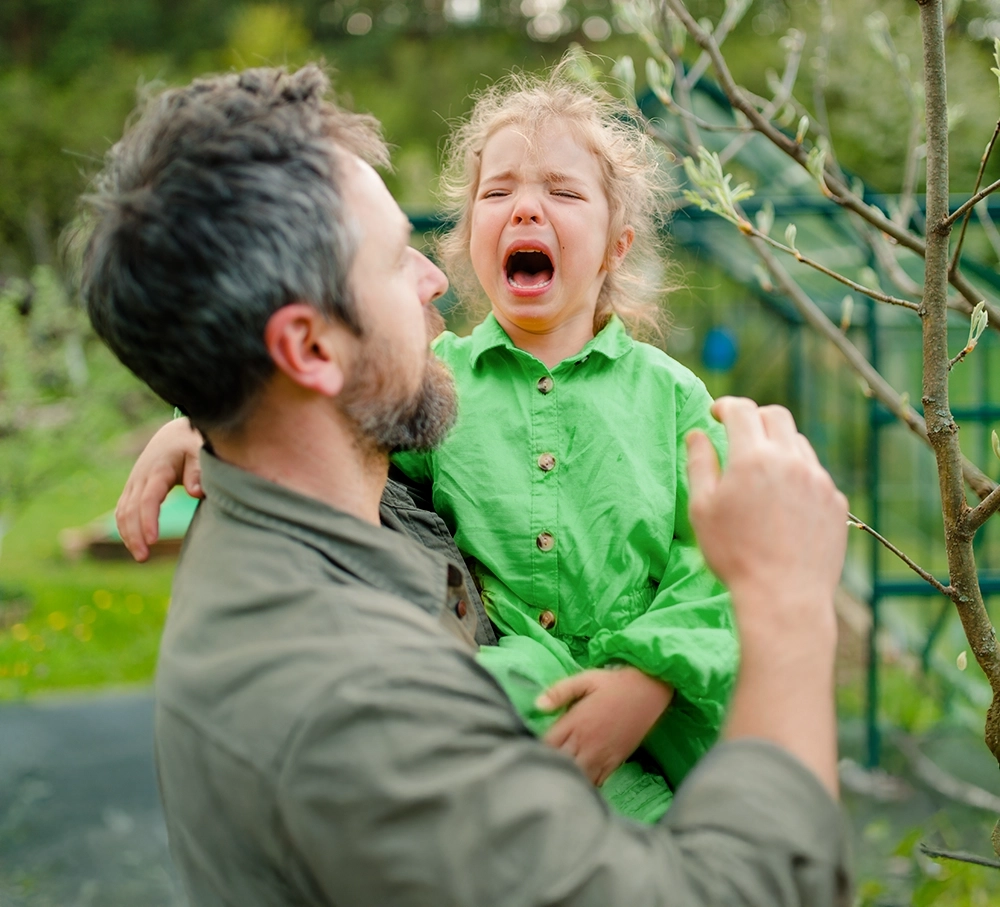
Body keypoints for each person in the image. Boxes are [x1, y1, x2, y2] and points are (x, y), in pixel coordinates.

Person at [81, 64, 851, 905]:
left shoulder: (358, 454)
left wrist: (211, 414)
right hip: (551, 733)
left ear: (618, 244)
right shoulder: (363, 705)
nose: (434, 279)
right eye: (392, 258)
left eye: (563, 191)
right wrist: (790, 606)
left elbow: (308, 424)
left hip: (663, 740)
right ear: (307, 350)